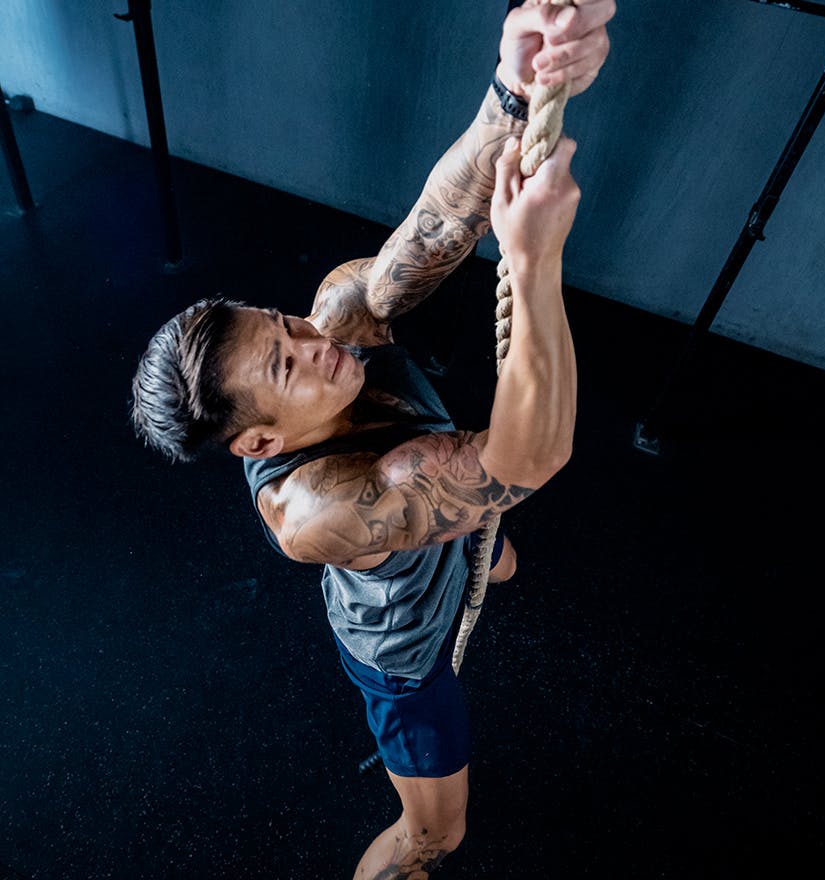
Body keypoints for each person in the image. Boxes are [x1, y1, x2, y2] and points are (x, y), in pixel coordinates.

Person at [130, 1, 614, 875]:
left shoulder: (337, 321)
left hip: (450, 518)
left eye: (286, 323)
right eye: (287, 367)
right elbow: (525, 461)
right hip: (405, 653)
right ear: (258, 445)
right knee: (437, 836)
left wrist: (512, 83)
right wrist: (535, 266)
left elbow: (438, 223)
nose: (319, 346)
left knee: (492, 551)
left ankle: (477, 549)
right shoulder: (321, 510)